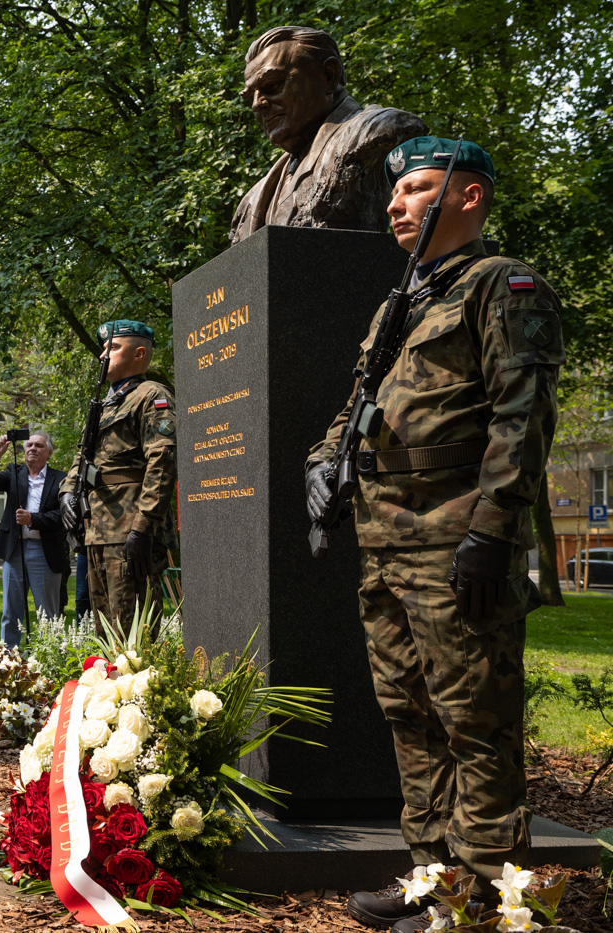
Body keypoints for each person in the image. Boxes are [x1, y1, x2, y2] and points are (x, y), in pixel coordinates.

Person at [304, 138, 562, 932]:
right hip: (386, 542)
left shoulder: (502, 285)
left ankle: (485, 895)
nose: (394, 204)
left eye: (415, 188)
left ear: (468, 196)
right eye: (395, 191)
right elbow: (358, 406)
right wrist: (321, 462)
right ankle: (434, 875)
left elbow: (523, 416)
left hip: (457, 540)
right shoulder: (402, 302)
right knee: (410, 715)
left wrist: (494, 531)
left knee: (475, 719)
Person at [231, 25, 426, 244]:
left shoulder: (378, 130)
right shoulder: (253, 198)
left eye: (272, 85)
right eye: (250, 97)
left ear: (329, 75)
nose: (257, 104)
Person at [60, 321, 177, 633]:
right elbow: (83, 457)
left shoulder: (152, 396)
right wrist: (66, 493)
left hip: (129, 530)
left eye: (112, 347)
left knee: (133, 631)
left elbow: (162, 463)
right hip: (98, 530)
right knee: (105, 631)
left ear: (139, 354)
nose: (103, 355)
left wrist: (143, 528)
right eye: (103, 348)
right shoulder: (106, 405)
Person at [0, 432, 67, 647]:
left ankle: (49, 657)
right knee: (11, 611)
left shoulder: (61, 479)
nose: (32, 448)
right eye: (29, 445)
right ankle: (9, 657)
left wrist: (33, 519)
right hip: (14, 550)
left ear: (49, 452)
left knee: (48, 613)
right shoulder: (13, 474)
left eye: (39, 445)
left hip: (45, 551)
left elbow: (63, 515)